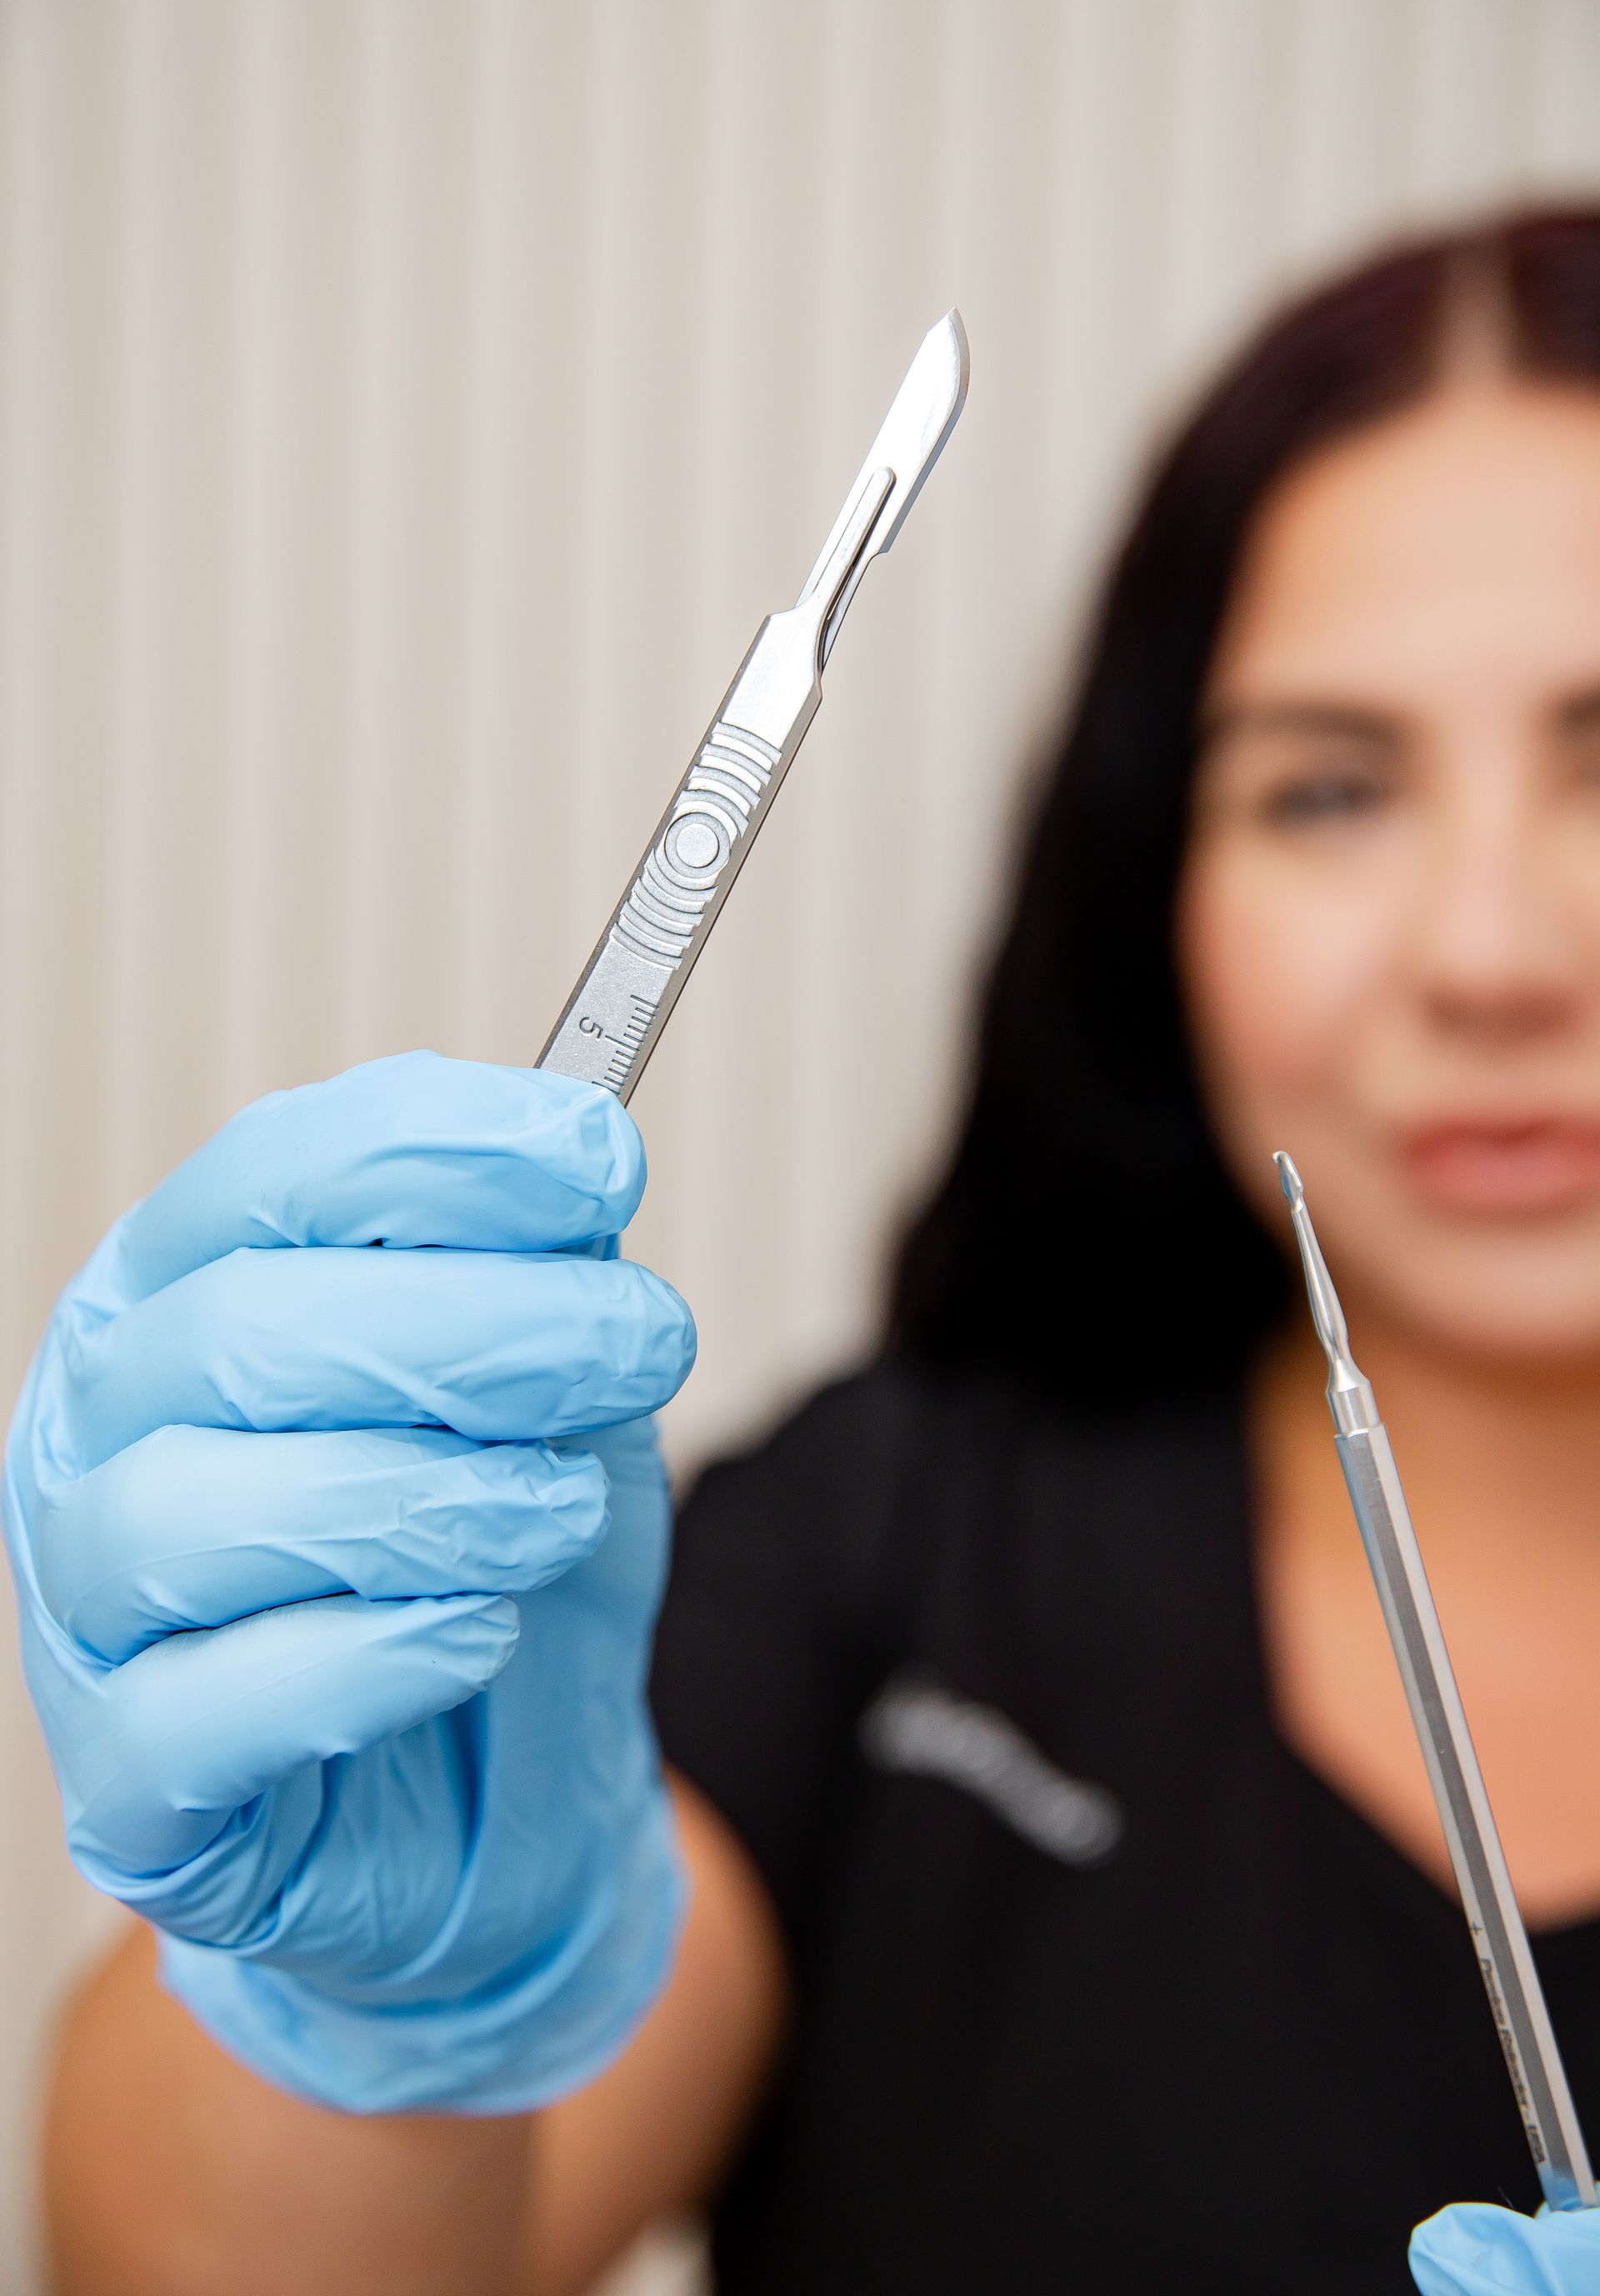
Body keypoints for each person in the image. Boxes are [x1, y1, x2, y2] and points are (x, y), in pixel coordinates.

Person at [12, 207, 1600, 2295]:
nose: (1490, 955)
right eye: (1328, 791)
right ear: (1158, 880)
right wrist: (365, 2021)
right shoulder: (890, 1542)